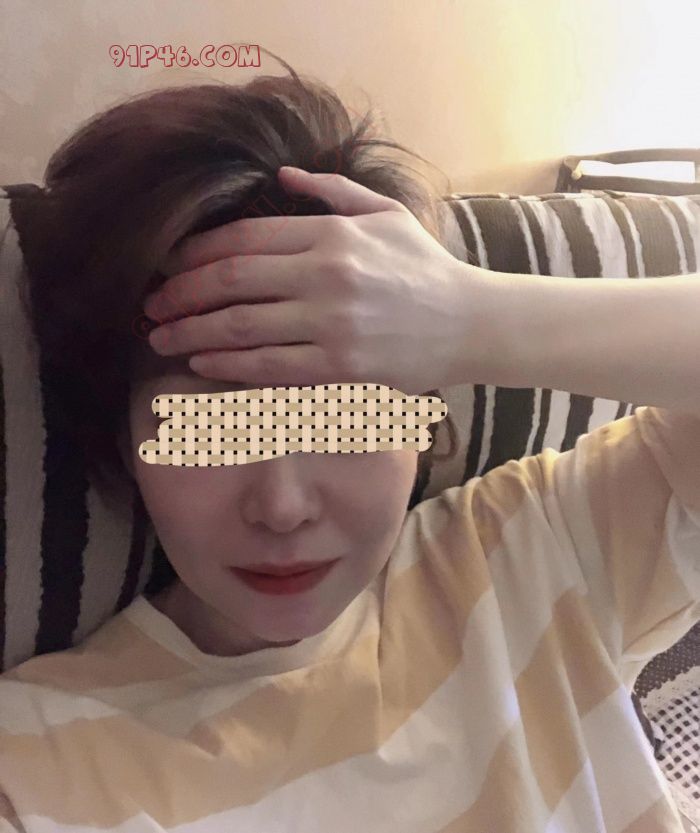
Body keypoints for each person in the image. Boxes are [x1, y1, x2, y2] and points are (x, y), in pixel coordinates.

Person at [1, 55, 699, 832]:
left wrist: (473, 318)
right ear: (126, 436)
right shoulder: (34, 763)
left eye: (346, 413)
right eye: (212, 427)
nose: (283, 506)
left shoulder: (540, 547)